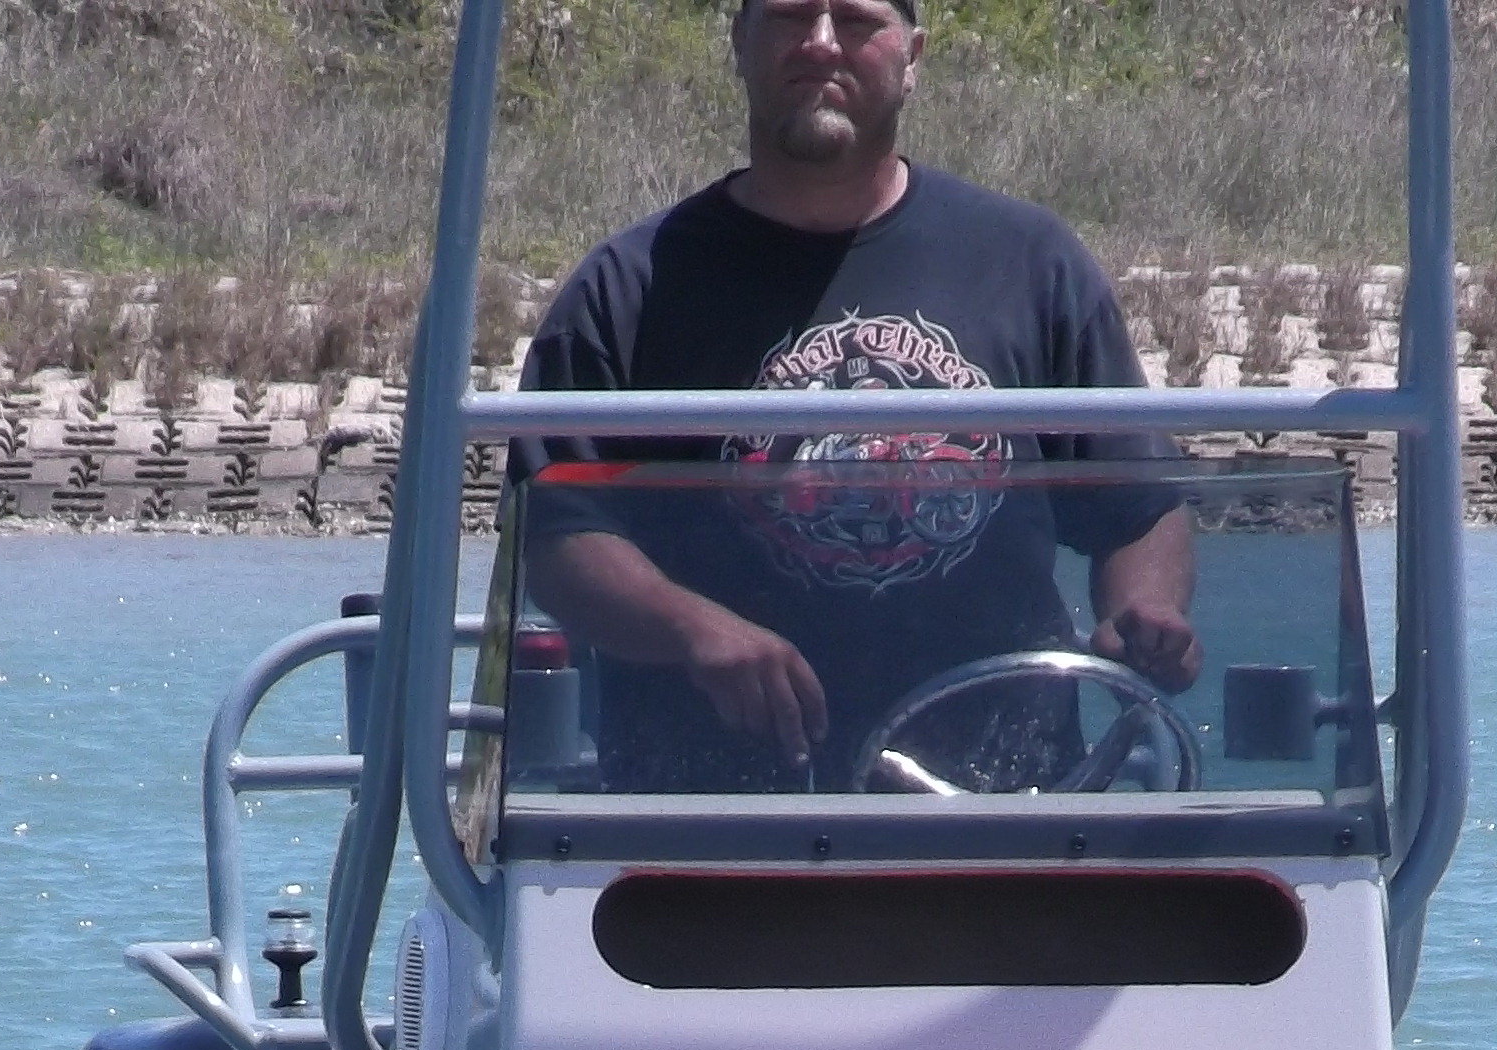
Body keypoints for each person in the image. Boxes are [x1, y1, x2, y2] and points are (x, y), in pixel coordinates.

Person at [513, 0, 1202, 795]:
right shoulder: (627, 287)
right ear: (739, 43)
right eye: (789, 17)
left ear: (912, 55)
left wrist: (1146, 613)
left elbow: (1139, 502)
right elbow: (556, 532)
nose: (819, 43)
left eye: (855, 20)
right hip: (702, 828)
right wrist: (692, 627)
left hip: (1008, 815)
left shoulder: (1029, 263)